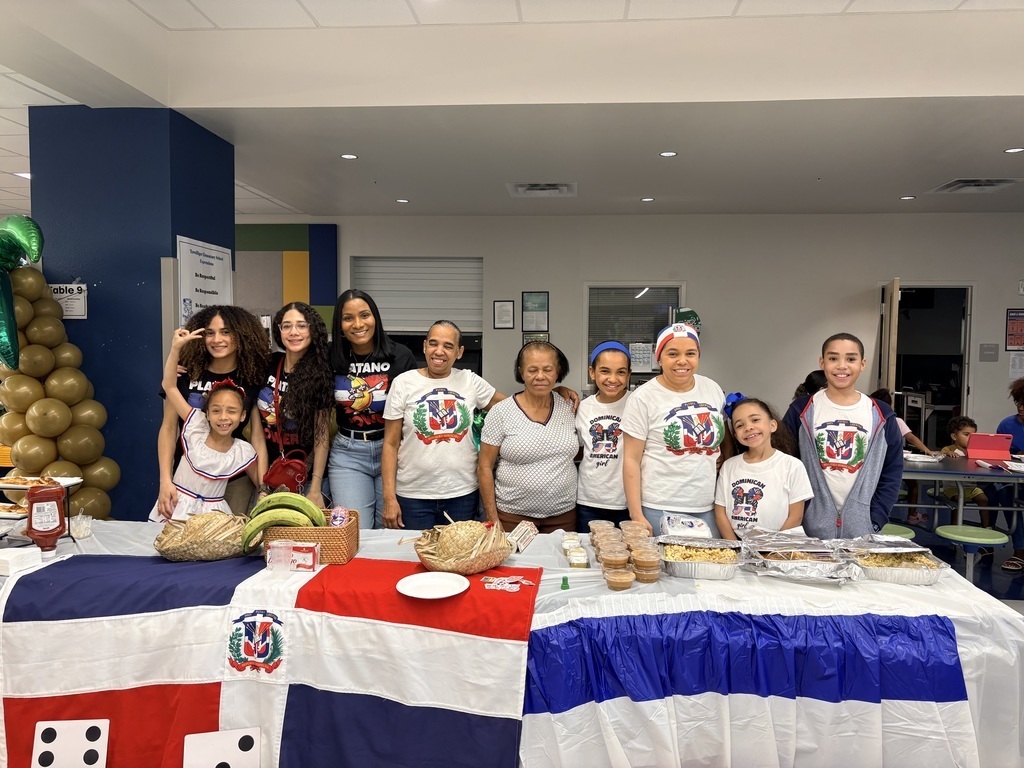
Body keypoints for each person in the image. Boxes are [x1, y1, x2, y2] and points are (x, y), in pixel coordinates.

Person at [381, 320, 503, 530]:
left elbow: (512, 407)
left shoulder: (470, 381)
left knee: (459, 551)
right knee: (415, 550)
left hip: (462, 494)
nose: (439, 351)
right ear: (424, 346)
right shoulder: (403, 382)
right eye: (433, 343)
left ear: (459, 352)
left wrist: (554, 394)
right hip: (413, 496)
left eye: (448, 346)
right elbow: (390, 444)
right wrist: (389, 498)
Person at [783, 333, 903, 538]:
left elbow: (892, 470)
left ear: (862, 364)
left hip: (862, 529)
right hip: (807, 530)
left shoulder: (881, 414)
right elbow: (784, 463)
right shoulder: (801, 410)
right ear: (822, 362)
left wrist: (875, 518)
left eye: (850, 359)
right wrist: (799, 515)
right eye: (833, 358)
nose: (841, 366)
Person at [155, 305, 268, 520]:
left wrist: (263, 488)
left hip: (234, 476)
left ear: (241, 335)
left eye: (226, 332)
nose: (217, 339)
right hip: (188, 476)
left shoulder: (251, 376)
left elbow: (257, 437)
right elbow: (168, 428)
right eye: (210, 333)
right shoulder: (184, 372)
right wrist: (165, 480)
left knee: (228, 536)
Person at [621, 323, 731, 536]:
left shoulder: (712, 389)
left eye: (690, 353)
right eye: (673, 354)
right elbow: (631, 459)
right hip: (659, 507)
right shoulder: (643, 398)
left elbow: (723, 437)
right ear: (659, 358)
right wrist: (636, 514)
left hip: (708, 506)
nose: (682, 361)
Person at [327, 289, 417, 529]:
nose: (358, 324)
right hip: (348, 454)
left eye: (364, 315)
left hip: (395, 451)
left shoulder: (400, 356)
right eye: (348, 318)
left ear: (375, 317)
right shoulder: (331, 356)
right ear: (340, 325)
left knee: (391, 530)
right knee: (355, 532)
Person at [479, 341, 578, 534]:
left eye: (548, 370)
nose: (540, 376)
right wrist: (492, 519)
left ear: (557, 372)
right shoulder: (501, 412)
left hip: (564, 516)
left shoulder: (570, 407)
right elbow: (484, 468)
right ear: (521, 372)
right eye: (532, 370)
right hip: (512, 517)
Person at [250, 302, 333, 509]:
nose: (293, 332)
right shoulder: (268, 364)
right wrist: (262, 487)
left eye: (301, 326)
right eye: (286, 326)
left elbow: (322, 436)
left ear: (312, 330)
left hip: (307, 475)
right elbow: (258, 434)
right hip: (270, 474)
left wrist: (315, 489)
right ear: (279, 331)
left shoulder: (320, 372)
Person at [714, 397, 811, 539]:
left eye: (755, 420)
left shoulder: (792, 466)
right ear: (735, 435)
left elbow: (796, 516)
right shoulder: (729, 466)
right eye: (739, 425)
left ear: (773, 425)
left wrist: (771, 548)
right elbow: (720, 513)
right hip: (737, 545)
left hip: (776, 546)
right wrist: (735, 547)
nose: (748, 427)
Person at [575, 341, 632, 532]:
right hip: (589, 500)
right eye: (605, 371)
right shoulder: (583, 407)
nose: (612, 379)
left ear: (629, 375)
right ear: (592, 373)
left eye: (620, 372)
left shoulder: (637, 403)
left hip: (626, 501)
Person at [870, 387, 939, 526]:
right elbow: (911, 438)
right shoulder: (896, 420)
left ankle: (872, 516)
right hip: (890, 463)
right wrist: (928, 451)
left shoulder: (869, 419)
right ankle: (912, 514)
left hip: (876, 463)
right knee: (913, 485)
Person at [939, 416, 992, 529]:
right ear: (954, 436)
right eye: (966, 435)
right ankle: (955, 527)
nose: (970, 438)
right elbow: (943, 452)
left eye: (973, 435)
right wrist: (948, 453)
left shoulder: (975, 450)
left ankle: (986, 527)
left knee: (984, 500)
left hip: (971, 488)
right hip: (952, 488)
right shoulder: (950, 449)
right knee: (958, 501)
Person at [994, 378, 1024, 573]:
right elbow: (999, 454)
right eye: (1018, 402)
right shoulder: (1007, 424)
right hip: (1015, 478)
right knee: (1004, 492)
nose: (1020, 408)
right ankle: (1020, 550)